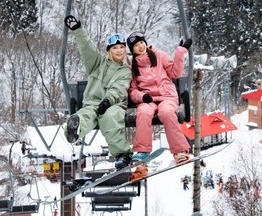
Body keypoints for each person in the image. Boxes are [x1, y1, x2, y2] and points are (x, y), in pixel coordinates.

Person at [63, 15, 133, 169]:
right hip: (93, 102)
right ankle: (73, 129)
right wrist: (78, 30)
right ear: (109, 51)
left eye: (121, 47)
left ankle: (122, 154)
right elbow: (87, 48)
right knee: (85, 115)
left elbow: (119, 88)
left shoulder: (126, 70)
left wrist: (108, 100)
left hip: (114, 104)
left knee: (110, 117)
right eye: (115, 48)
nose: (119, 50)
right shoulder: (98, 63)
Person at [127, 31, 192, 165]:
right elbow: (132, 90)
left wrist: (180, 53)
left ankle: (180, 151)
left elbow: (175, 72)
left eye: (141, 42)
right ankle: (143, 151)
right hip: (148, 99)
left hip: (166, 96)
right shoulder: (133, 67)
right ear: (132, 50)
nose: (140, 46)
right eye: (136, 45)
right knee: (143, 112)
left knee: (167, 113)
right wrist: (142, 96)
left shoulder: (159, 55)